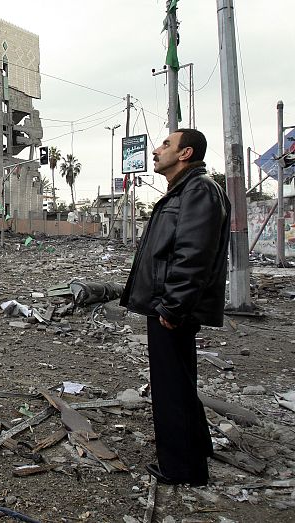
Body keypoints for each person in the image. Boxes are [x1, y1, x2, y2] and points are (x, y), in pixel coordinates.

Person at [120, 128, 230, 486]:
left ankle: (182, 467)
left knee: (170, 386)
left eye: (166, 144)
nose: (156, 150)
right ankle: (197, 446)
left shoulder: (198, 190)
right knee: (180, 380)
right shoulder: (186, 190)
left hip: (171, 307)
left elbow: (194, 254)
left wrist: (173, 306)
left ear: (185, 154)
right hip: (169, 304)